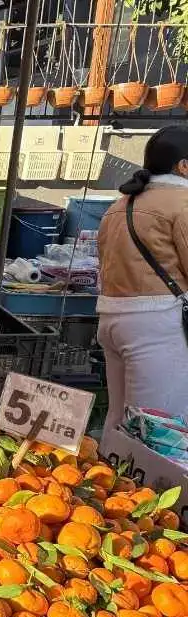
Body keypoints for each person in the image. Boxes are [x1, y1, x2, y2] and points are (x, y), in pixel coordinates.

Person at [96, 125, 188, 434]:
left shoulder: (118, 205)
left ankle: (104, 477)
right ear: (184, 166)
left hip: (112, 321)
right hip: (157, 325)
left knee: (119, 421)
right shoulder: (182, 202)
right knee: (158, 427)